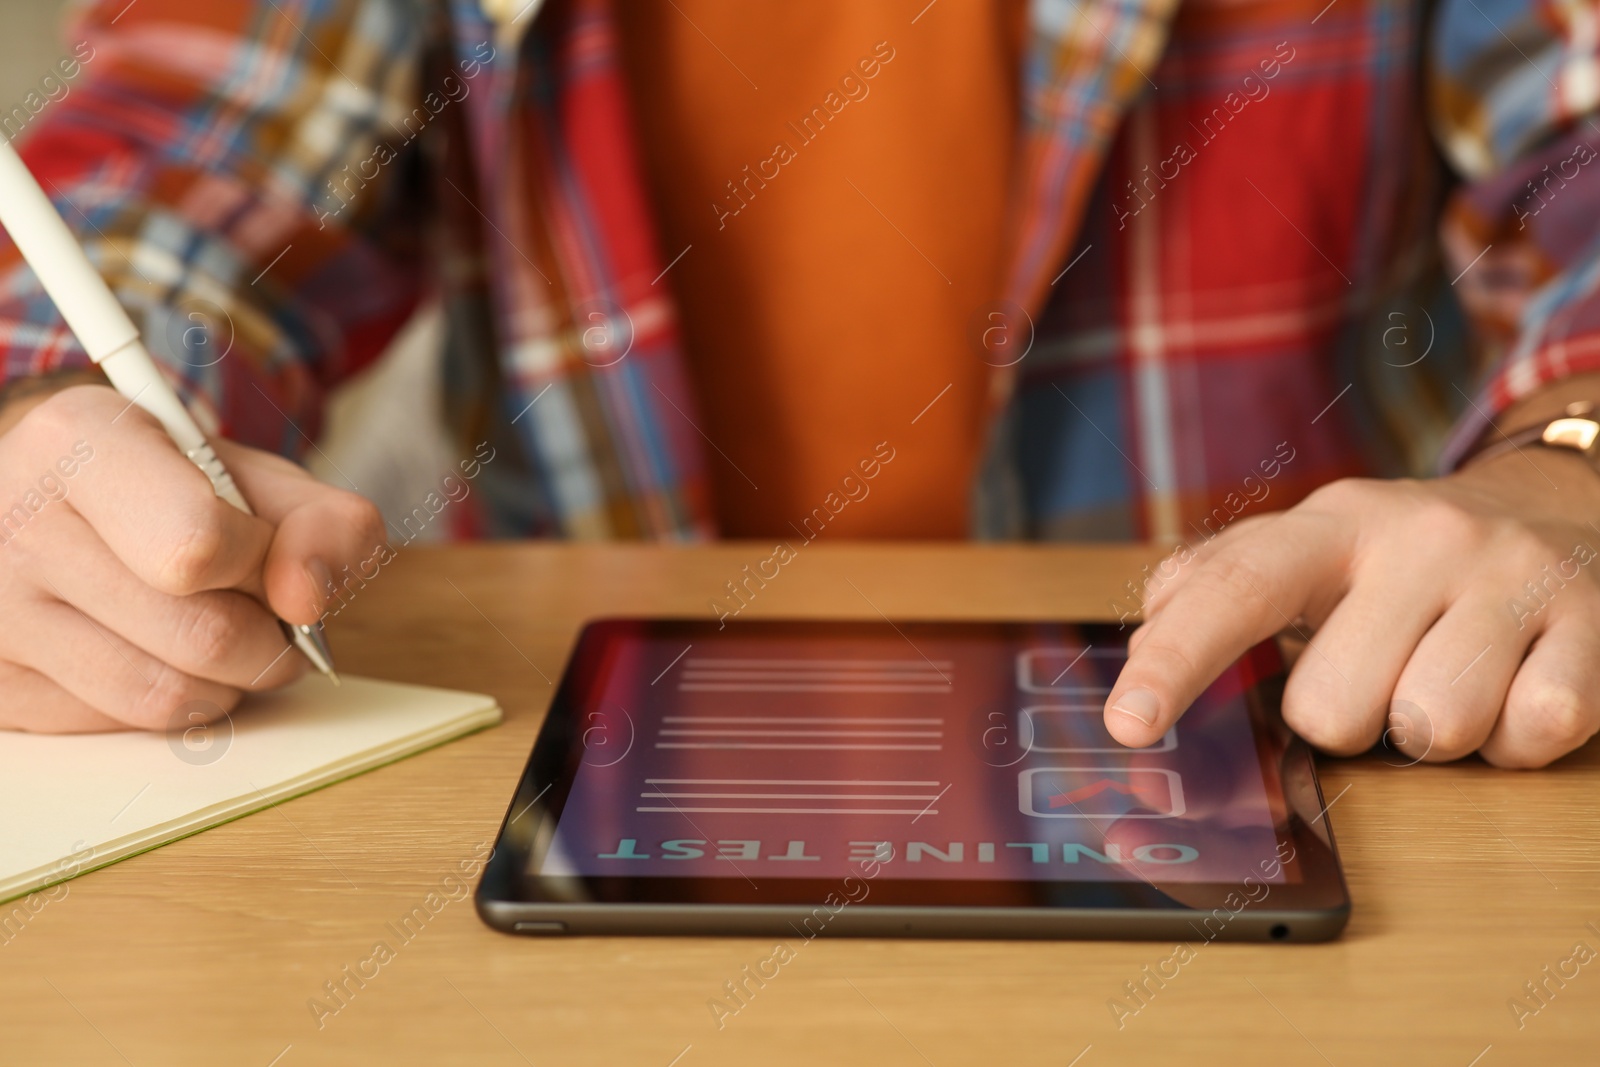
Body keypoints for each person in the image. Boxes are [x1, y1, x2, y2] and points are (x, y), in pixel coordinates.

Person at [0, 0, 1597, 769]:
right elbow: (173, 174)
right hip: (568, 764)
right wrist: (38, 429)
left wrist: (1565, 469)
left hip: (1305, 744)